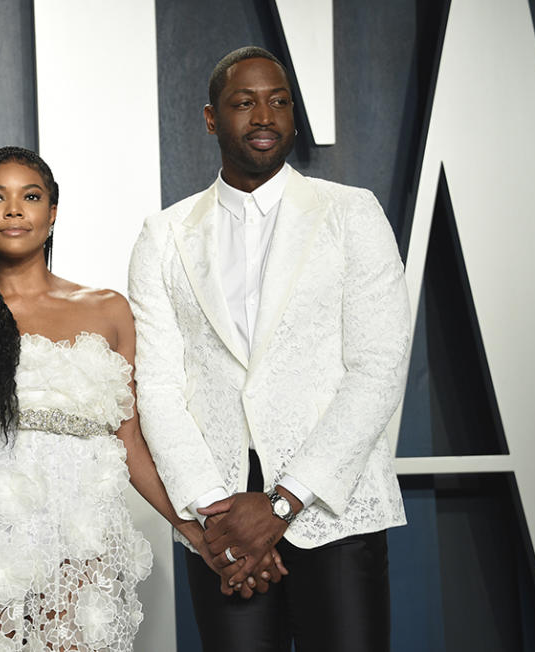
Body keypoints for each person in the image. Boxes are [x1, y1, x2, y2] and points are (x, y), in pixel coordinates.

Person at [128, 47, 411, 651]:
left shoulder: (351, 213)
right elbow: (158, 387)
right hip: (221, 516)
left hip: (332, 502)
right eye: (244, 102)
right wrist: (215, 514)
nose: (265, 115)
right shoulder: (164, 235)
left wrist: (282, 505)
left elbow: (378, 369)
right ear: (210, 118)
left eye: (279, 101)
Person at [0, 146, 209, 651]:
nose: (14, 209)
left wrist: (187, 523)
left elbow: (128, 440)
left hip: (81, 537)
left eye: (31, 196)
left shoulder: (108, 310)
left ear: (52, 212)